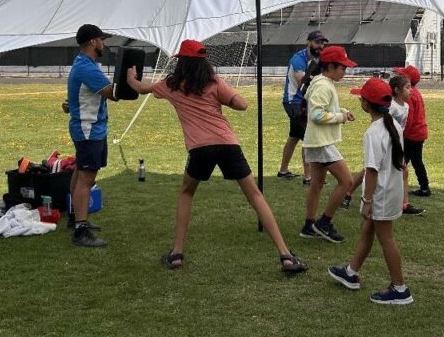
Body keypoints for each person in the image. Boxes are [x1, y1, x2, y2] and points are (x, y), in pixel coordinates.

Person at [126, 39, 307, 274]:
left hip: (199, 148)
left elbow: (140, 88)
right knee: (254, 194)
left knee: (186, 192)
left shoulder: (171, 85)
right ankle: (285, 255)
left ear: (181, 62)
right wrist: (224, 96)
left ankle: (177, 253)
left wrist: (130, 75)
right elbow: (241, 105)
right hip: (227, 144)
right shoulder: (214, 82)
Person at [327, 78, 413, 305]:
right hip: (390, 190)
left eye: (361, 97)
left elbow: (371, 171)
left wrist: (366, 200)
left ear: (366, 104)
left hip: (381, 194)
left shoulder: (374, 133)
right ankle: (351, 272)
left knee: (387, 239)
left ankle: (400, 289)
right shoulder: (392, 124)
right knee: (367, 229)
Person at [66, 23, 118, 248]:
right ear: (92, 42)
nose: (103, 43)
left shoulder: (85, 64)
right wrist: (132, 80)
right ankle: (80, 229)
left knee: (81, 172)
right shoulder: (87, 67)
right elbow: (112, 93)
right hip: (88, 130)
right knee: (87, 178)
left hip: (89, 128)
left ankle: (75, 217)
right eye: (101, 39)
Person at [341, 73, 423, 215]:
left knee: (402, 171)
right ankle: (348, 192)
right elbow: (381, 122)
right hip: (387, 144)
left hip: (395, 144)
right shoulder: (389, 108)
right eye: (408, 87)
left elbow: (399, 127)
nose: (411, 90)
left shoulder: (406, 107)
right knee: (369, 170)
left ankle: (404, 203)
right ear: (396, 90)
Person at [300, 45, 356, 243]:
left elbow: (323, 107)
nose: (345, 72)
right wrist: (340, 117)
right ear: (330, 66)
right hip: (321, 142)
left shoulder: (322, 82)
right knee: (347, 181)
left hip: (316, 141)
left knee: (317, 183)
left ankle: (309, 225)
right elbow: (316, 114)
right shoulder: (324, 85)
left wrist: (342, 111)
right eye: (343, 68)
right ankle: (324, 222)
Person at [279, 30, 328, 183]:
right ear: (308, 42)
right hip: (294, 102)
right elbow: (302, 81)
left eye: (322, 43)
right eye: (317, 42)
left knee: (294, 137)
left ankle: (283, 170)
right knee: (308, 137)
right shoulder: (298, 58)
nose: (320, 46)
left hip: (304, 102)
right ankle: (309, 177)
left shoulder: (319, 58)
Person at [393, 65, 432, 198]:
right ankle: (425, 188)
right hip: (420, 132)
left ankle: (395, 187)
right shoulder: (416, 92)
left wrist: (401, 134)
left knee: (400, 162)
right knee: (417, 161)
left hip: (412, 134)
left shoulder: (409, 96)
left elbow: (409, 118)